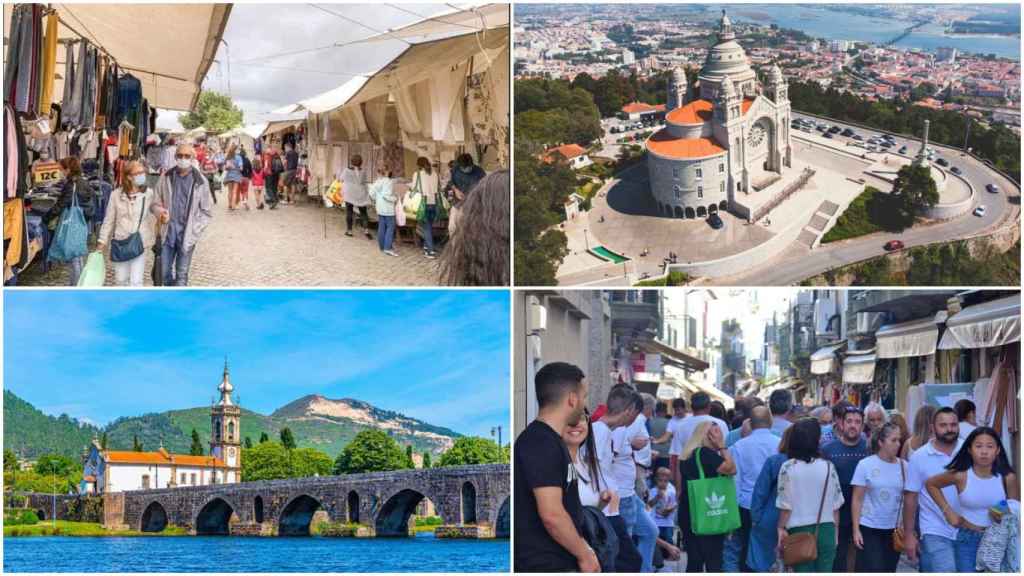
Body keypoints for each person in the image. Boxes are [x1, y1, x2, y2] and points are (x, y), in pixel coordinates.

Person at [513, 362, 599, 573]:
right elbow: (552, 514)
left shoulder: (550, 441)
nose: (583, 403)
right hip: (545, 564)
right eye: (584, 396)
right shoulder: (540, 442)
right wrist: (584, 554)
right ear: (572, 398)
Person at [925, 426, 1018, 573]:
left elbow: (1015, 509)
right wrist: (948, 512)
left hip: (998, 543)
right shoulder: (960, 475)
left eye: (990, 446)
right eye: (978, 446)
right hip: (967, 539)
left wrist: (999, 510)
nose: (984, 451)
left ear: (998, 450)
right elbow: (931, 484)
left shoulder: (1008, 477)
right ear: (969, 449)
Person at [564, 411, 640, 572]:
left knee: (630, 561)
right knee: (630, 561)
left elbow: (583, 510)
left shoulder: (583, 464)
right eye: (570, 420)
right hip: (577, 548)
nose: (577, 424)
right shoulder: (560, 464)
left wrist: (602, 502)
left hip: (593, 538)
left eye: (582, 419)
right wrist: (585, 553)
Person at [776, 418, 845, 573]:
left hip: (799, 532)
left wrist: (780, 528)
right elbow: (836, 505)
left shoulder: (788, 468)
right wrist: (836, 532)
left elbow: (785, 506)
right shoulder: (828, 466)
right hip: (827, 529)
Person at [902, 407, 962, 573]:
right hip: (934, 528)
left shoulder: (969, 450)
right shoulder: (919, 457)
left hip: (968, 529)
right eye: (943, 425)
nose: (949, 429)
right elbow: (910, 498)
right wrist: (908, 534)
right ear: (932, 428)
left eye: (953, 424)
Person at [677, 420, 736, 572]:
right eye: (717, 434)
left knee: (694, 561)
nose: (720, 437)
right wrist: (722, 446)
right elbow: (731, 469)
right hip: (708, 512)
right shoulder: (705, 454)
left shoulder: (687, 455)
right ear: (708, 436)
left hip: (688, 512)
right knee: (714, 560)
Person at [152, 143, 213, 286]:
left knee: (181, 276)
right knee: (163, 273)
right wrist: (160, 212)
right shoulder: (166, 177)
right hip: (168, 235)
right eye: (180, 156)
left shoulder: (201, 181)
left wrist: (194, 231)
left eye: (187, 156)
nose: (183, 158)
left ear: (192, 158)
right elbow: (154, 203)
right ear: (175, 157)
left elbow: (206, 212)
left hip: (187, 237)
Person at [850, 422, 908, 572]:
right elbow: (857, 499)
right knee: (872, 568)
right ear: (881, 442)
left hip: (893, 528)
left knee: (889, 569)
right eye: (893, 440)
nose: (898, 444)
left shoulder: (904, 466)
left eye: (899, 440)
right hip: (869, 526)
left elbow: (908, 498)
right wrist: (856, 529)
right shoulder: (865, 465)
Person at [611, 391, 657, 572]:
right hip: (625, 490)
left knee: (650, 531)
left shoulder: (629, 423)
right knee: (626, 540)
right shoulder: (633, 422)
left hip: (630, 488)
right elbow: (616, 448)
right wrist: (634, 446)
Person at [821, 404, 870, 572]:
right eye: (849, 421)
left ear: (862, 426)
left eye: (857, 422)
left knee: (862, 558)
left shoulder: (869, 449)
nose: (853, 425)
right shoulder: (827, 450)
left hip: (864, 513)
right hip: (836, 513)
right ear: (841, 424)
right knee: (838, 557)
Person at [438, 170, 509, 286]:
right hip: (461, 205)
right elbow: (449, 187)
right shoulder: (455, 173)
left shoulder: (480, 173)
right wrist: (455, 190)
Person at [730, 406, 779, 572]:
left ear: (750, 423)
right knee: (772, 549)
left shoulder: (739, 446)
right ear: (770, 421)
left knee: (746, 550)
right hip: (774, 505)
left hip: (746, 505)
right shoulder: (780, 445)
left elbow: (735, 481)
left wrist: (734, 511)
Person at [96, 161, 156, 286]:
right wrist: (102, 242)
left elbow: (157, 208)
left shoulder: (149, 194)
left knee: (136, 281)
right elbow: (109, 220)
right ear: (129, 176)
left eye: (143, 172)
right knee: (121, 279)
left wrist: (162, 214)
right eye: (138, 173)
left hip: (140, 242)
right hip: (121, 242)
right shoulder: (115, 195)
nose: (142, 175)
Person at [747, 426, 794, 572]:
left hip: (770, 516)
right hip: (796, 519)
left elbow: (760, 492)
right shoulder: (813, 463)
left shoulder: (775, 461)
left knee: (763, 562)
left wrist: (756, 518)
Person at [669, 392, 729, 495]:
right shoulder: (720, 424)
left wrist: (678, 489)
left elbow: (678, 459)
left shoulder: (681, 426)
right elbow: (727, 452)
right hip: (716, 474)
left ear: (691, 407)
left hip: (689, 478)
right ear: (709, 407)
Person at [48, 156, 95, 285]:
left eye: (62, 169)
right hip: (82, 222)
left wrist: (47, 217)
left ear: (68, 170)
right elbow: (90, 205)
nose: (61, 172)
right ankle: (77, 284)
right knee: (78, 256)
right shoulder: (84, 182)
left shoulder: (71, 185)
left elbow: (61, 204)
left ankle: (76, 287)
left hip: (73, 222)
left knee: (74, 257)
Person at [412, 156, 440, 259]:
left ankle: (430, 251)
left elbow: (414, 187)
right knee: (429, 227)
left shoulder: (417, 174)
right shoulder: (435, 174)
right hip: (434, 203)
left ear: (419, 165)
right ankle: (426, 247)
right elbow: (438, 188)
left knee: (427, 228)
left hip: (424, 203)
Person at [338, 155, 371, 239]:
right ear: (361, 162)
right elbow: (364, 182)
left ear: (351, 161)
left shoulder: (346, 170)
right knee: (363, 212)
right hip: (360, 193)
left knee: (349, 211)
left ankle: (349, 231)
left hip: (349, 193)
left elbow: (341, 179)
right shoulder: (363, 171)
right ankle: (366, 230)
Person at [369, 169, 398, 257]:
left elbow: (371, 193)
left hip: (380, 207)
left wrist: (376, 200)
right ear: (387, 172)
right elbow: (387, 195)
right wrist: (395, 198)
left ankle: (382, 246)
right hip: (388, 208)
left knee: (382, 226)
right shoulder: (388, 182)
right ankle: (387, 248)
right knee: (390, 227)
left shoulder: (377, 182)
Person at [647, 467, 677, 546]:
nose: (663, 483)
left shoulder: (671, 491)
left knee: (669, 538)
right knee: (657, 539)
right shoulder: (653, 491)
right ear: (656, 480)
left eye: (666, 481)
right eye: (660, 480)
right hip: (656, 522)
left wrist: (669, 510)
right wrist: (657, 497)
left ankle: (670, 553)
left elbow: (674, 504)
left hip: (668, 522)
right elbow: (649, 505)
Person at [649, 402, 672, 473]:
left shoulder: (649, 422)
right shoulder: (670, 423)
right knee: (663, 475)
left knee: (652, 474)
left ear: (656, 411)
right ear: (665, 411)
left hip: (652, 452)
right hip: (665, 453)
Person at [222, 143, 242, 211]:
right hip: (236, 176)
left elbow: (224, 167)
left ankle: (229, 205)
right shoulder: (239, 157)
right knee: (234, 192)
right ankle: (234, 206)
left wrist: (229, 167)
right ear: (236, 150)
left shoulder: (228, 157)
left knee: (230, 191)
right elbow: (241, 168)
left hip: (229, 176)